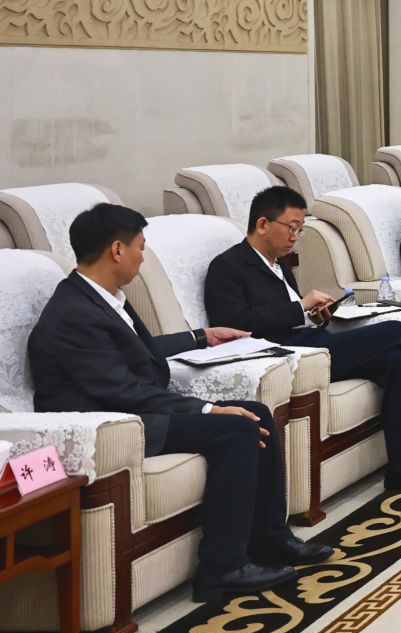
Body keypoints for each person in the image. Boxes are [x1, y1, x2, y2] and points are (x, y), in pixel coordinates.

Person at [29, 204, 332, 599]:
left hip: (132, 410)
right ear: (117, 250)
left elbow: (135, 351)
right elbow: (120, 389)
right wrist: (206, 409)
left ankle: (270, 538)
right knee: (236, 429)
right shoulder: (74, 314)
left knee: (255, 412)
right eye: (140, 247)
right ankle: (222, 568)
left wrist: (200, 336)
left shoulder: (99, 297)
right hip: (112, 426)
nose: (142, 257)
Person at [203, 186, 401, 495]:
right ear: (263, 224)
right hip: (286, 354)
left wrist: (315, 315)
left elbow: (290, 313)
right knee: (396, 332)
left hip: (311, 340)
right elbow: (236, 323)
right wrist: (301, 307)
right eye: (291, 228)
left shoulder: (278, 262)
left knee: (397, 360)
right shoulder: (228, 266)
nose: (295, 237)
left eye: (300, 230)